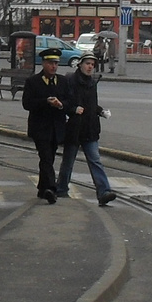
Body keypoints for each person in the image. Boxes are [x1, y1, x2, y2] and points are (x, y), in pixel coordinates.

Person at [56, 55, 117, 205]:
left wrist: (100, 111)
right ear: (80, 65)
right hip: (74, 128)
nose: (90, 67)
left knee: (95, 160)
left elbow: (91, 105)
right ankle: (61, 189)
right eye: (87, 64)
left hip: (90, 128)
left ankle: (104, 192)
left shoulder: (92, 82)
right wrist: (72, 109)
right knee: (68, 161)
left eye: (92, 64)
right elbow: (62, 102)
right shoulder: (70, 80)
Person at [21, 47, 68, 203]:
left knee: (49, 157)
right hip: (40, 128)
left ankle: (42, 188)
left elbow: (70, 101)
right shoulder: (33, 81)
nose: (53, 66)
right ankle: (51, 189)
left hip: (57, 128)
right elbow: (27, 104)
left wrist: (61, 105)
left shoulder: (62, 81)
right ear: (43, 63)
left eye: (55, 63)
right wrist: (45, 102)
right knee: (46, 157)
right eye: (50, 63)